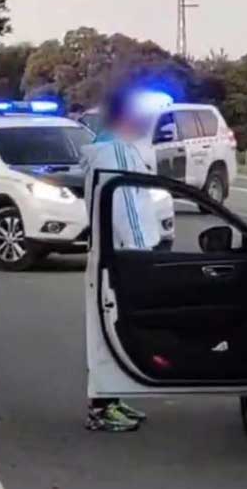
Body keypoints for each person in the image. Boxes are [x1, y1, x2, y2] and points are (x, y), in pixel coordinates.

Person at [80, 86, 162, 432]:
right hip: (121, 259)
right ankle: (102, 407)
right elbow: (128, 209)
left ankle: (111, 398)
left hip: (109, 256)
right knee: (109, 332)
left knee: (108, 331)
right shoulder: (116, 154)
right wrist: (143, 256)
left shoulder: (110, 150)